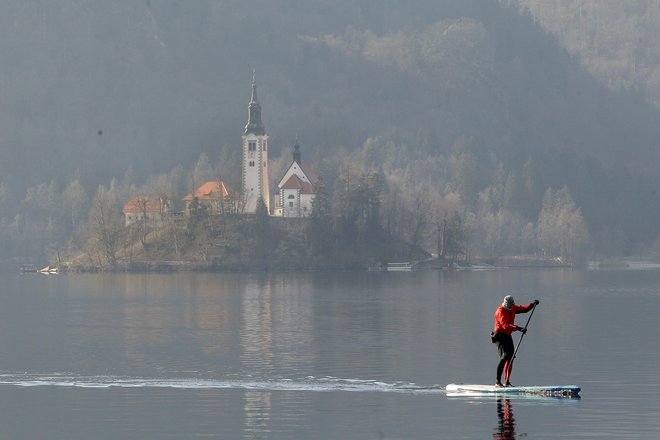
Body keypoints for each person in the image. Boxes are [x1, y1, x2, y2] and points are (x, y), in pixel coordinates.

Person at [492, 295, 539, 387]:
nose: (512, 306)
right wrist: (518, 328)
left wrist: (532, 305)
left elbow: (523, 309)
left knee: (511, 357)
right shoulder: (500, 311)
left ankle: (507, 381)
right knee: (505, 356)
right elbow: (505, 325)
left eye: (512, 305)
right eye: (510, 305)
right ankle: (497, 382)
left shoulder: (512, 307)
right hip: (499, 335)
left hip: (507, 335)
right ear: (506, 304)